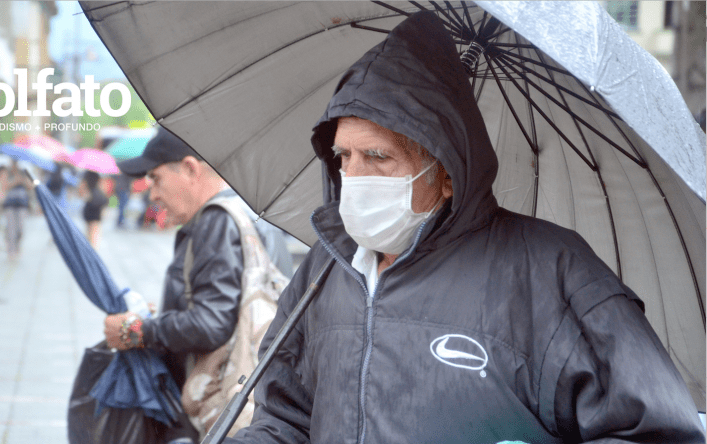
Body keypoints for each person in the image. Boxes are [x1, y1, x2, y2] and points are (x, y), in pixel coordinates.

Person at [225, 12, 705, 444]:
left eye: (378, 157)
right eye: (343, 157)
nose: (354, 177)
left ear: (447, 174)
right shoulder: (324, 269)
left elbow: (654, 433)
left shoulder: (551, 272)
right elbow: (285, 419)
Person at [103, 127, 293, 443]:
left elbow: (210, 323)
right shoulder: (251, 213)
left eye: (156, 178)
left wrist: (138, 330)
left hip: (222, 409)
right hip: (259, 404)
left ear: (190, 169)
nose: (152, 194)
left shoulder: (215, 221)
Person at [1, 160, 31, 261]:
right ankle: (11, 250)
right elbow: (4, 186)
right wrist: (15, 181)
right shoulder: (7, 173)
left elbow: (30, 187)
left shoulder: (24, 173)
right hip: (10, 204)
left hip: (22, 204)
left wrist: (23, 180)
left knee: (20, 228)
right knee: (11, 228)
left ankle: (17, 245)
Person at [79, 171, 108, 250]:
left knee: (89, 229)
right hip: (97, 205)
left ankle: (89, 247)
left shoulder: (86, 175)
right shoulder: (100, 175)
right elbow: (104, 192)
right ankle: (92, 249)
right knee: (94, 229)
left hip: (90, 205)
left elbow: (82, 192)